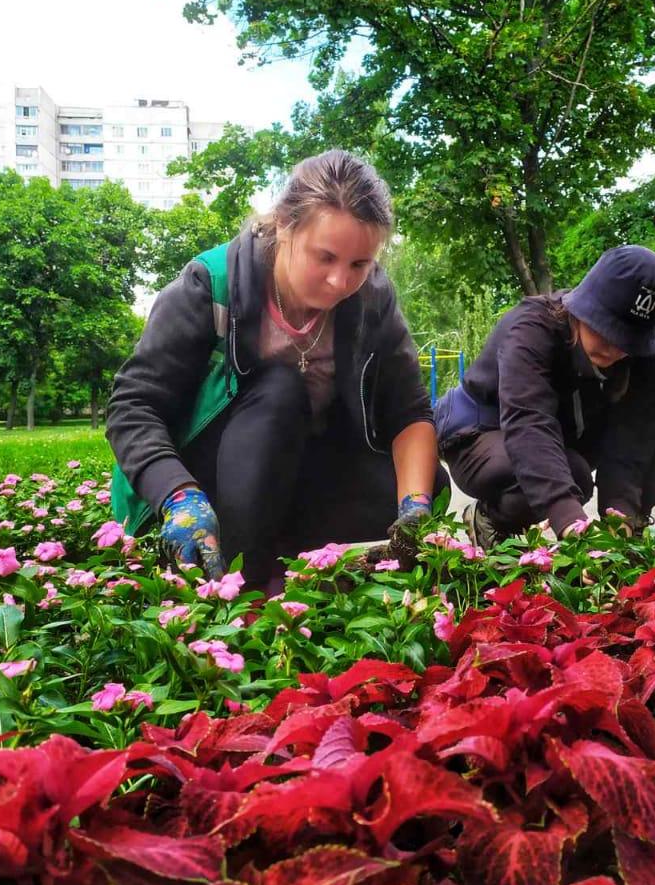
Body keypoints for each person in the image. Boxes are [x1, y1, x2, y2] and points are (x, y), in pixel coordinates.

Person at [107, 150, 448, 590]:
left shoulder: (373, 300)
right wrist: (178, 495)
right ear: (285, 225)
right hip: (206, 484)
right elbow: (133, 405)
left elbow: (409, 412)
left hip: (303, 469)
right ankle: (245, 578)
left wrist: (414, 505)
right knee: (282, 389)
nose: (340, 282)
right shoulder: (209, 284)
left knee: (424, 479)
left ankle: (299, 562)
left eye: (359, 265)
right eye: (324, 257)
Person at [435, 245, 655, 548]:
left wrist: (619, 517)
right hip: (482, 433)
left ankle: (631, 523)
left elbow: (632, 436)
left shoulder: (637, 355)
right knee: (573, 476)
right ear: (583, 307)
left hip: (565, 435)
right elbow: (529, 421)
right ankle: (491, 517)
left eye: (627, 339)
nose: (613, 347)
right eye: (606, 328)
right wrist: (568, 520)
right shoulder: (531, 328)